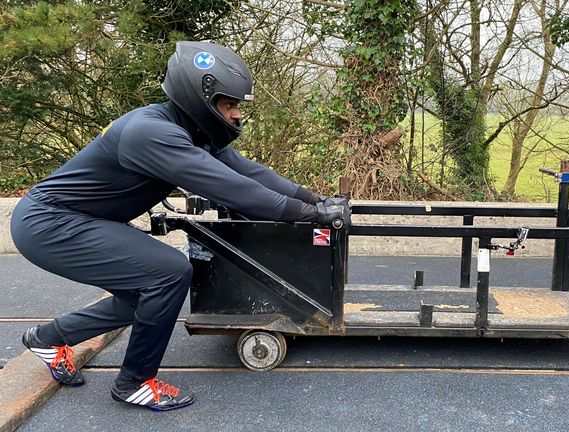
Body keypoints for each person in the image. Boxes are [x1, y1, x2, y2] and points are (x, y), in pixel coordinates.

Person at [10, 41, 346, 412]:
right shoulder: (152, 133)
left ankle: (47, 339)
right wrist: (310, 215)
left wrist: (315, 200)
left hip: (79, 219)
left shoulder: (188, 130)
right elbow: (236, 190)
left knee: (144, 297)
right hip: (49, 223)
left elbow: (250, 172)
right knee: (168, 273)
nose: (236, 115)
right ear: (201, 99)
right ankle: (135, 382)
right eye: (229, 105)